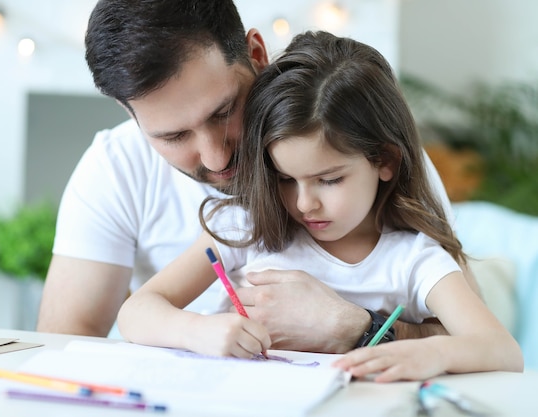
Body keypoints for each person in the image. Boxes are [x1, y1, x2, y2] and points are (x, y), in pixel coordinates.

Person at [37, 0, 481, 353]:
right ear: (130, 114)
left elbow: (470, 340)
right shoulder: (116, 167)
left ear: (256, 54)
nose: (214, 158)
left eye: (224, 112)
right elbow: (64, 345)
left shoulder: (363, 161)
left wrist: (355, 328)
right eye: (173, 135)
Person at [117, 30, 523, 381]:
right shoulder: (246, 227)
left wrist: (430, 354)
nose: (304, 203)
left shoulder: (415, 260)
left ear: (385, 161)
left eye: (329, 180)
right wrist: (196, 331)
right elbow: (137, 311)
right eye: (284, 179)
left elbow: (502, 351)